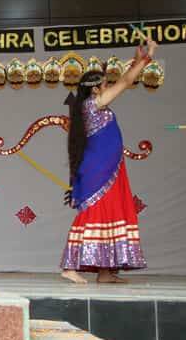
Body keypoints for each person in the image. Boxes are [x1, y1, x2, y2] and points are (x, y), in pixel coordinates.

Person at [60, 39, 157, 284]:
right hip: (99, 171)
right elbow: (124, 82)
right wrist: (146, 58)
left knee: (110, 214)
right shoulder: (92, 105)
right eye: (105, 84)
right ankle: (69, 267)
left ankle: (105, 272)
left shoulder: (94, 105)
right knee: (94, 213)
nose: (108, 87)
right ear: (95, 89)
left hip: (110, 169)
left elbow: (124, 80)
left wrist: (138, 61)